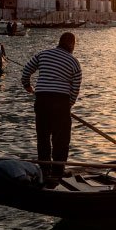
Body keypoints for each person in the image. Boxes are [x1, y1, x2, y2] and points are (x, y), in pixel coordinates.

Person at [21, 32, 82, 185]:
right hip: (61, 102)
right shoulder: (74, 63)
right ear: (72, 45)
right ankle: (58, 172)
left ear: (59, 42)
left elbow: (27, 70)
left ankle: (44, 170)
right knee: (61, 140)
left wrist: (28, 86)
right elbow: (75, 89)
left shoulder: (43, 54)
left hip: (42, 100)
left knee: (43, 138)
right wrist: (68, 106)